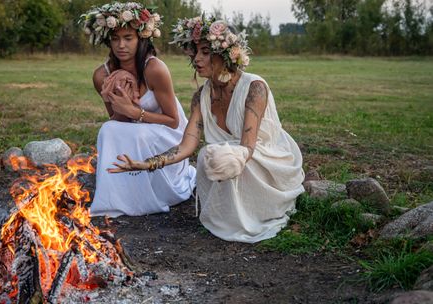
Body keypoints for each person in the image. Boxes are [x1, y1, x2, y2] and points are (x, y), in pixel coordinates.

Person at [108, 16, 305, 243]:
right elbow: (186, 146)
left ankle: (261, 210)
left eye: (204, 52)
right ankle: (225, 216)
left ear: (226, 54)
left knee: (220, 155)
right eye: (195, 53)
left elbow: (247, 147)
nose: (197, 60)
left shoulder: (254, 88)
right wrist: (147, 163)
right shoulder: (200, 97)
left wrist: (228, 156)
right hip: (227, 160)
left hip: (262, 157)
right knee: (208, 155)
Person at [81, 2, 196, 217]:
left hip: (169, 134)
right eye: (115, 39)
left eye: (128, 38)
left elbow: (173, 121)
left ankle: (150, 197)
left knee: (141, 132)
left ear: (141, 38)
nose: (121, 45)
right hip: (136, 130)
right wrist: (121, 102)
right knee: (107, 129)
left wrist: (136, 112)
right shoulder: (101, 76)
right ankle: (115, 198)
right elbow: (118, 123)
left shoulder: (155, 69)